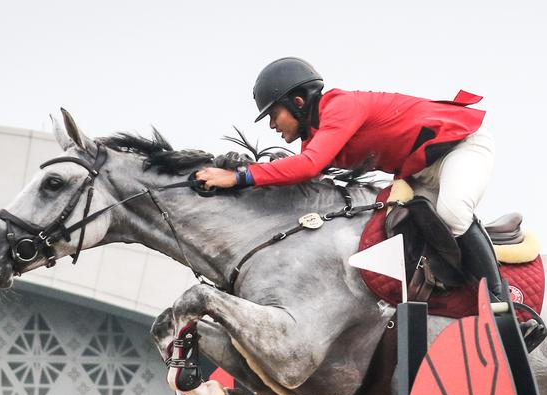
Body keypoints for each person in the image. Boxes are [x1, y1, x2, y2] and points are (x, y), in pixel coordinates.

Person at [195, 57, 507, 303]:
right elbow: (298, 176)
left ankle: (500, 302)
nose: (273, 125)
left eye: (274, 115)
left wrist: (237, 177)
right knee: (402, 228)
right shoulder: (316, 136)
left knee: (452, 212)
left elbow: (307, 167)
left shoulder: (340, 106)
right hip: (419, 172)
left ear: (298, 102)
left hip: (461, 146)